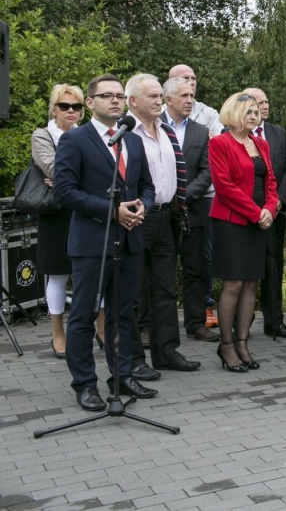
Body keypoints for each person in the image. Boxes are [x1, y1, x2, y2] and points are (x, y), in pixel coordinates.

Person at [54, 74, 157, 410]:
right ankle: (84, 384)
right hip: (91, 242)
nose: (115, 101)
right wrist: (112, 211)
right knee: (83, 315)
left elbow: (146, 187)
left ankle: (122, 374)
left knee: (123, 313)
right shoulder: (76, 140)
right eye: (107, 96)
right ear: (90, 103)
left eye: (119, 96)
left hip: (128, 240)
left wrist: (143, 205)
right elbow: (65, 192)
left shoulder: (134, 139)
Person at [125, 73, 201, 373]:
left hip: (165, 216)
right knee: (134, 291)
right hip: (134, 219)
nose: (159, 101)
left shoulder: (166, 131)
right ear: (133, 101)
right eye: (153, 96)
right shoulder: (124, 133)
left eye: (160, 96)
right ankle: (133, 358)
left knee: (166, 289)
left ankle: (167, 351)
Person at [208, 92, 280, 372]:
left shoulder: (260, 143)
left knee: (252, 283)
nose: (255, 116)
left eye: (257, 112)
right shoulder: (219, 143)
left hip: (260, 222)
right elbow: (224, 187)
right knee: (234, 284)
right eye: (249, 112)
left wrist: (270, 210)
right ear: (234, 113)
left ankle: (242, 342)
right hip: (231, 222)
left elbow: (271, 181)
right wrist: (255, 212)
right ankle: (226, 345)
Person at [160, 77, 217, 343]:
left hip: (192, 210)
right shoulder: (152, 126)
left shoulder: (200, 130)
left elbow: (208, 171)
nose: (189, 100)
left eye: (191, 96)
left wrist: (183, 196)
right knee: (159, 272)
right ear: (168, 99)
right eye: (183, 95)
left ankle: (196, 323)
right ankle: (158, 325)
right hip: (157, 213)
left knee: (195, 270)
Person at [244, 87, 286, 340]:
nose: (264, 106)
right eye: (258, 102)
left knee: (274, 266)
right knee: (243, 269)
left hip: (275, 211)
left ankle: (275, 322)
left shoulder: (278, 133)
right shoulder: (232, 134)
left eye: (266, 101)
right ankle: (240, 322)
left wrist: (278, 201)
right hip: (244, 213)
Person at [32, 84, 84, 359]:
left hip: (84, 210)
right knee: (58, 273)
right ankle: (57, 333)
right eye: (65, 106)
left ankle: (98, 329)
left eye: (76, 106)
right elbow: (53, 168)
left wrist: (68, 177)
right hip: (56, 213)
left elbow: (99, 169)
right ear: (54, 109)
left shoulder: (88, 135)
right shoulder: (42, 135)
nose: (71, 111)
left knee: (89, 272)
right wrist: (80, 174)